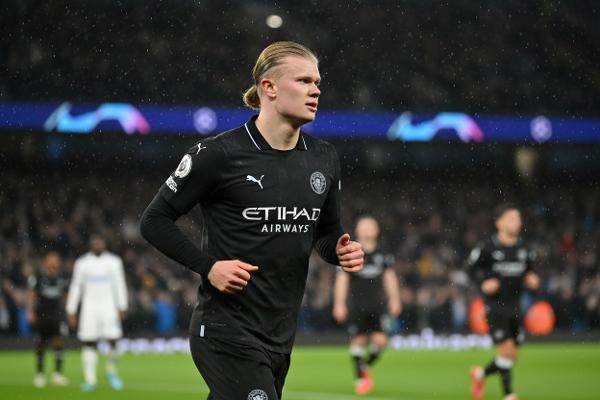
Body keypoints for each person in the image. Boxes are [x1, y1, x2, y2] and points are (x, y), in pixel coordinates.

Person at [140, 41, 365, 400]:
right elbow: (154, 220)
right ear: (269, 87)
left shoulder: (324, 158)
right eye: (304, 80)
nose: (316, 90)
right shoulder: (217, 154)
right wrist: (209, 267)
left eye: (317, 82)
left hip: (279, 336)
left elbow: (326, 232)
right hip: (225, 331)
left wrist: (339, 250)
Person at [467, 203, 540, 400]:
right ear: (499, 223)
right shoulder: (487, 247)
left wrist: (532, 278)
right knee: (506, 350)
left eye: (518, 218)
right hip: (495, 306)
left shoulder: (524, 248)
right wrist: (483, 283)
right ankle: (509, 395)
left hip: (517, 306)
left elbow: (531, 270)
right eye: (512, 219)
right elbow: (470, 269)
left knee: (512, 356)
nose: (517, 222)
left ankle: (479, 374)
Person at [333, 216, 401, 395]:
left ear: (377, 230)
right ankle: (361, 380)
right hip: (357, 305)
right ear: (358, 230)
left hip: (378, 305)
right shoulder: (351, 250)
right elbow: (342, 279)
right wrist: (339, 304)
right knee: (359, 340)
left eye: (371, 226)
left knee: (381, 341)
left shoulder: (383, 252)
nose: (368, 229)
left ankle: (363, 366)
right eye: (365, 226)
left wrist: (395, 299)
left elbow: (390, 277)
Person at [66, 235, 128, 392]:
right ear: (90, 244)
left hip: (109, 306)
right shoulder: (82, 263)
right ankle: (90, 379)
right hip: (89, 308)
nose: (98, 244)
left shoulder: (114, 262)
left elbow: (120, 284)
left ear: (105, 243)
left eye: (100, 242)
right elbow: (75, 287)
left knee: (114, 340)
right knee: (89, 342)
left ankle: (112, 372)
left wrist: (122, 306)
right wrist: (71, 310)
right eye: (95, 242)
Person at [27, 250, 69, 387]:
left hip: (57, 315)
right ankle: (40, 375)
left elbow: (66, 296)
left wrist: (68, 312)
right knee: (41, 344)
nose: (54, 262)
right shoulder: (38, 277)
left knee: (58, 343)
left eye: (56, 260)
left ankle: (57, 375)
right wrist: (30, 311)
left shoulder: (62, 278)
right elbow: (31, 295)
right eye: (51, 259)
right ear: (46, 262)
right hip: (42, 315)